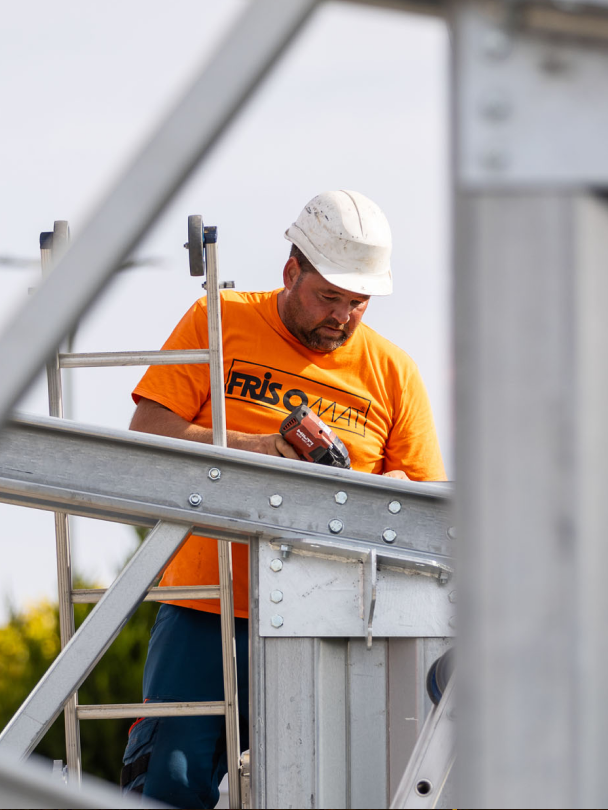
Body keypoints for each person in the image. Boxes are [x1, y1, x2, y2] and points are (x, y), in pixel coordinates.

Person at [120, 190, 446, 807]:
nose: (343, 317)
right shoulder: (218, 322)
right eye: (329, 297)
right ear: (291, 271)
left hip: (336, 620)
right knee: (171, 784)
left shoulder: (392, 373)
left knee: (341, 788)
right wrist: (265, 448)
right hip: (208, 608)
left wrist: (390, 493)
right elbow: (150, 432)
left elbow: (428, 507)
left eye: (357, 302)